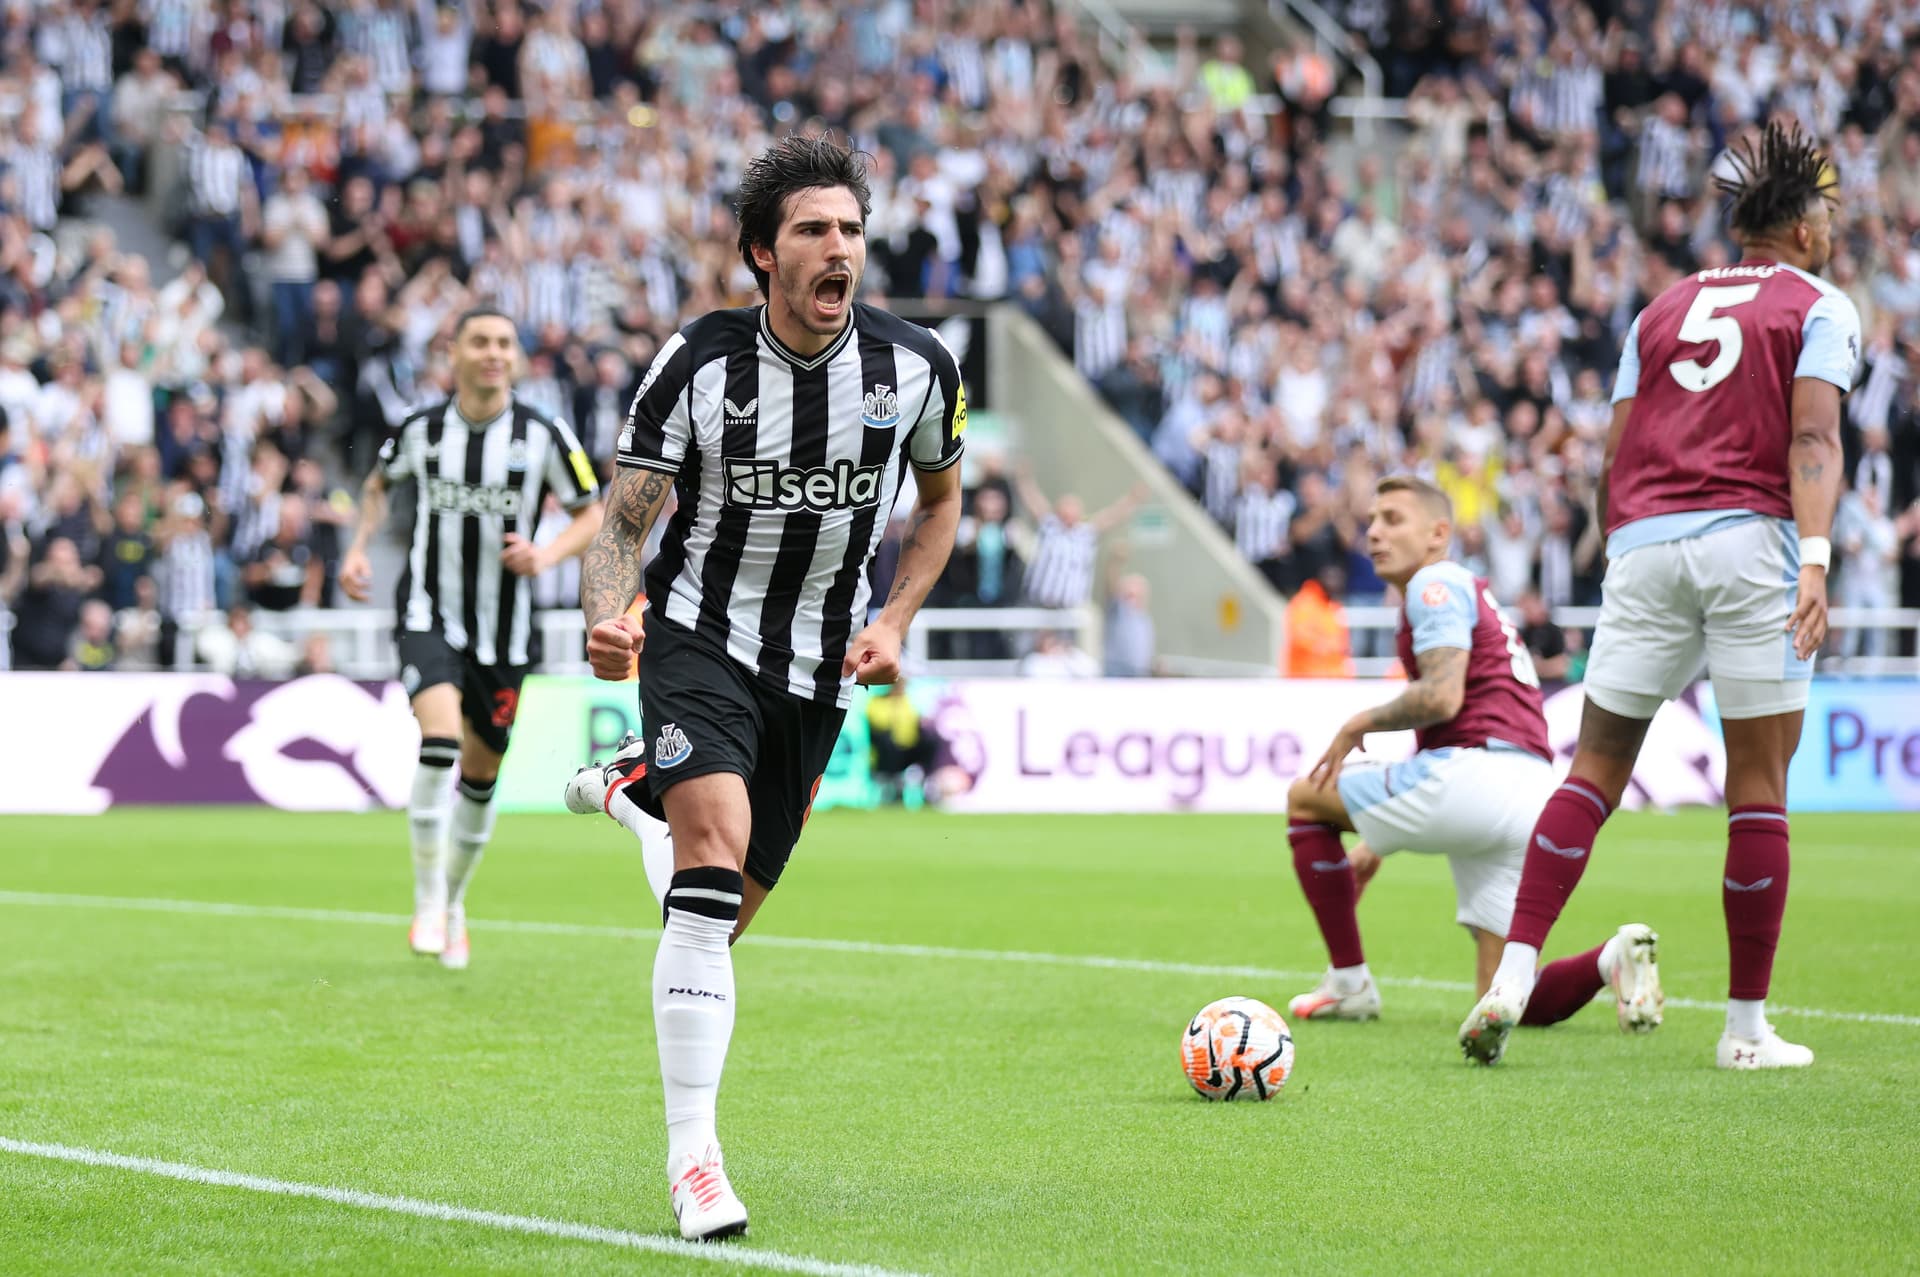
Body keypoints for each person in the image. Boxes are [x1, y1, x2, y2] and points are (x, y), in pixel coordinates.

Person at [560, 135, 966, 1241]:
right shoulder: (698, 362)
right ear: (760, 253)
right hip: (698, 637)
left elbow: (939, 505)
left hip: (818, 670)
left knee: (721, 913)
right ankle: (696, 1160)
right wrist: (606, 610)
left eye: (850, 230)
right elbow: (627, 514)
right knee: (709, 850)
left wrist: (894, 617)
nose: (839, 249)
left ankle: (623, 793)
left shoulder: (916, 366)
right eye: (812, 231)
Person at [1460, 122, 1860, 1070]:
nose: (1834, 231)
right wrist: (1815, 559)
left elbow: (1612, 455)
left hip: (1644, 546)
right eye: (1828, 216)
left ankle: (1511, 972)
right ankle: (1745, 1031)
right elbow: (1813, 439)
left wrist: (1624, 552)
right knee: (1757, 785)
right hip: (1752, 542)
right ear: (1800, 230)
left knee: (1592, 773)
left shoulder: (1660, 310)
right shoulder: (1819, 304)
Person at [1286, 476, 1663, 1036]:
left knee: (1305, 799)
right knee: (1506, 994)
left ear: (1439, 533)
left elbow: (1442, 696)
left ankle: (1348, 983)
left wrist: (1356, 725)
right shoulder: (1469, 590)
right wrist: (1376, 838)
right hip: (1529, 790)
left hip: (1474, 774)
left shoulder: (1433, 584)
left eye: (1392, 519)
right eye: (1371, 520)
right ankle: (1610, 959)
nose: (1373, 533)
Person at [339, 307, 604, 970]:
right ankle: (428, 900)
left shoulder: (543, 434)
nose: (493, 353)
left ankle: (453, 901)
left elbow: (591, 512)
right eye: (480, 342)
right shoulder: (422, 430)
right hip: (429, 609)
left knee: (482, 778)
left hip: (506, 632)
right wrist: (359, 548)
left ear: (515, 358)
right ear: (452, 352)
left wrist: (544, 556)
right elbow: (376, 484)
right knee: (439, 741)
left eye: (504, 344)